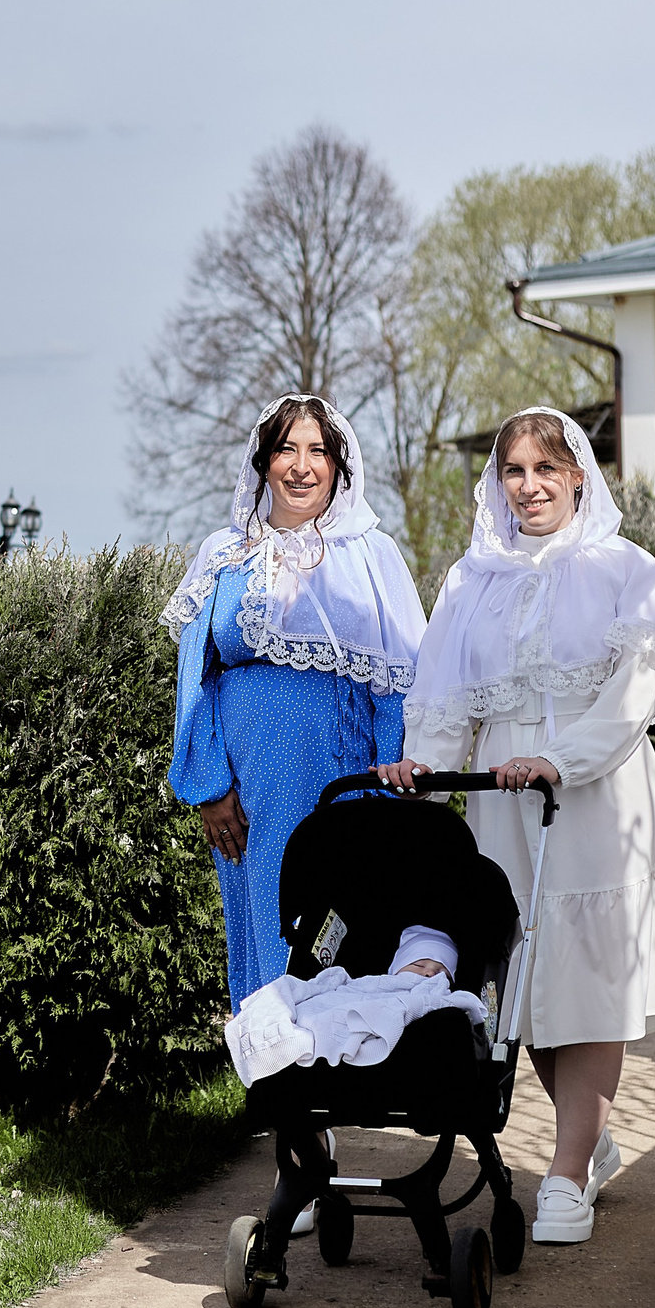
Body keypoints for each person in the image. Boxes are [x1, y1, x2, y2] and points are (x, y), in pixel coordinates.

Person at [375, 407, 655, 1247]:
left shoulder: (625, 568)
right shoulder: (470, 581)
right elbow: (444, 697)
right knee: (522, 977)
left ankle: (565, 1170)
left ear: (577, 477)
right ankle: (588, 1139)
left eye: (545, 469)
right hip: (500, 796)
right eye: (514, 471)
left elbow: (634, 692)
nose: (529, 486)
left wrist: (562, 758)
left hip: (595, 791)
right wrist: (423, 769)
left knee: (588, 979)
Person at [162, 394, 429, 1007]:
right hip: (250, 793)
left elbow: (399, 680)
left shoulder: (372, 555)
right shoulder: (225, 554)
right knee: (269, 936)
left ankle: (345, 1064)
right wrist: (210, 787)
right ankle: (273, 1064)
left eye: (318, 452)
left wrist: (391, 787)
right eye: (287, 450)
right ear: (264, 463)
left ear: (339, 466)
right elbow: (195, 679)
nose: (301, 467)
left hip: (346, 784)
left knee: (347, 935)